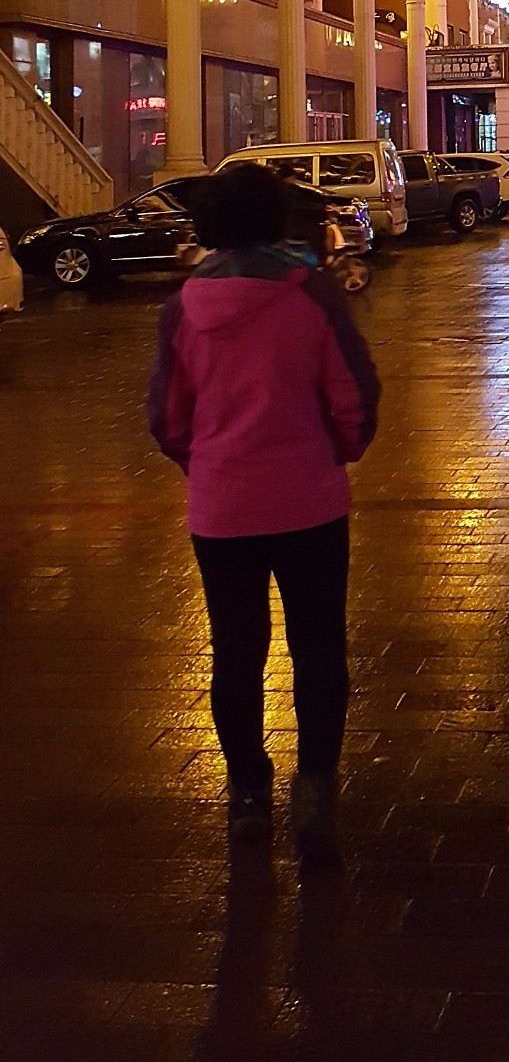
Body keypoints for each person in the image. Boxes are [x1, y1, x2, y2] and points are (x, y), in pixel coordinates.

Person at [148, 164, 380, 860]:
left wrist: (209, 465)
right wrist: (336, 452)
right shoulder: (310, 294)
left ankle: (248, 791)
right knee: (317, 649)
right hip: (308, 500)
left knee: (236, 651)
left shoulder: (182, 307)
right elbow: (354, 394)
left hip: (223, 510)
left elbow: (166, 416)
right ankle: (314, 789)